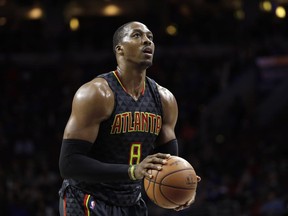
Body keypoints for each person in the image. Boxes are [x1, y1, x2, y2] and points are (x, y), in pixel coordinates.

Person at [58, 21, 200, 216]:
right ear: (120, 49)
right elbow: (69, 164)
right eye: (137, 35)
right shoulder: (97, 93)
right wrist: (132, 171)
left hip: (131, 202)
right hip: (87, 198)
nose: (147, 41)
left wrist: (181, 189)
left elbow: (167, 162)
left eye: (150, 37)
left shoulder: (164, 99)